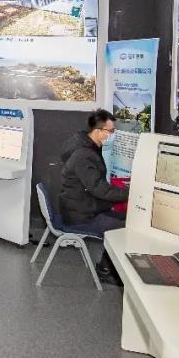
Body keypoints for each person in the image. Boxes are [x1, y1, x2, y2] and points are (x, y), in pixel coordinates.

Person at [58, 109, 128, 281]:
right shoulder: (84, 155)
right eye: (110, 131)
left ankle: (108, 267)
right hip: (81, 215)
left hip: (82, 206)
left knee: (127, 218)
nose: (112, 135)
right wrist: (130, 194)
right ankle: (106, 270)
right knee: (125, 230)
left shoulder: (88, 146)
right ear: (98, 131)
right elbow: (99, 189)